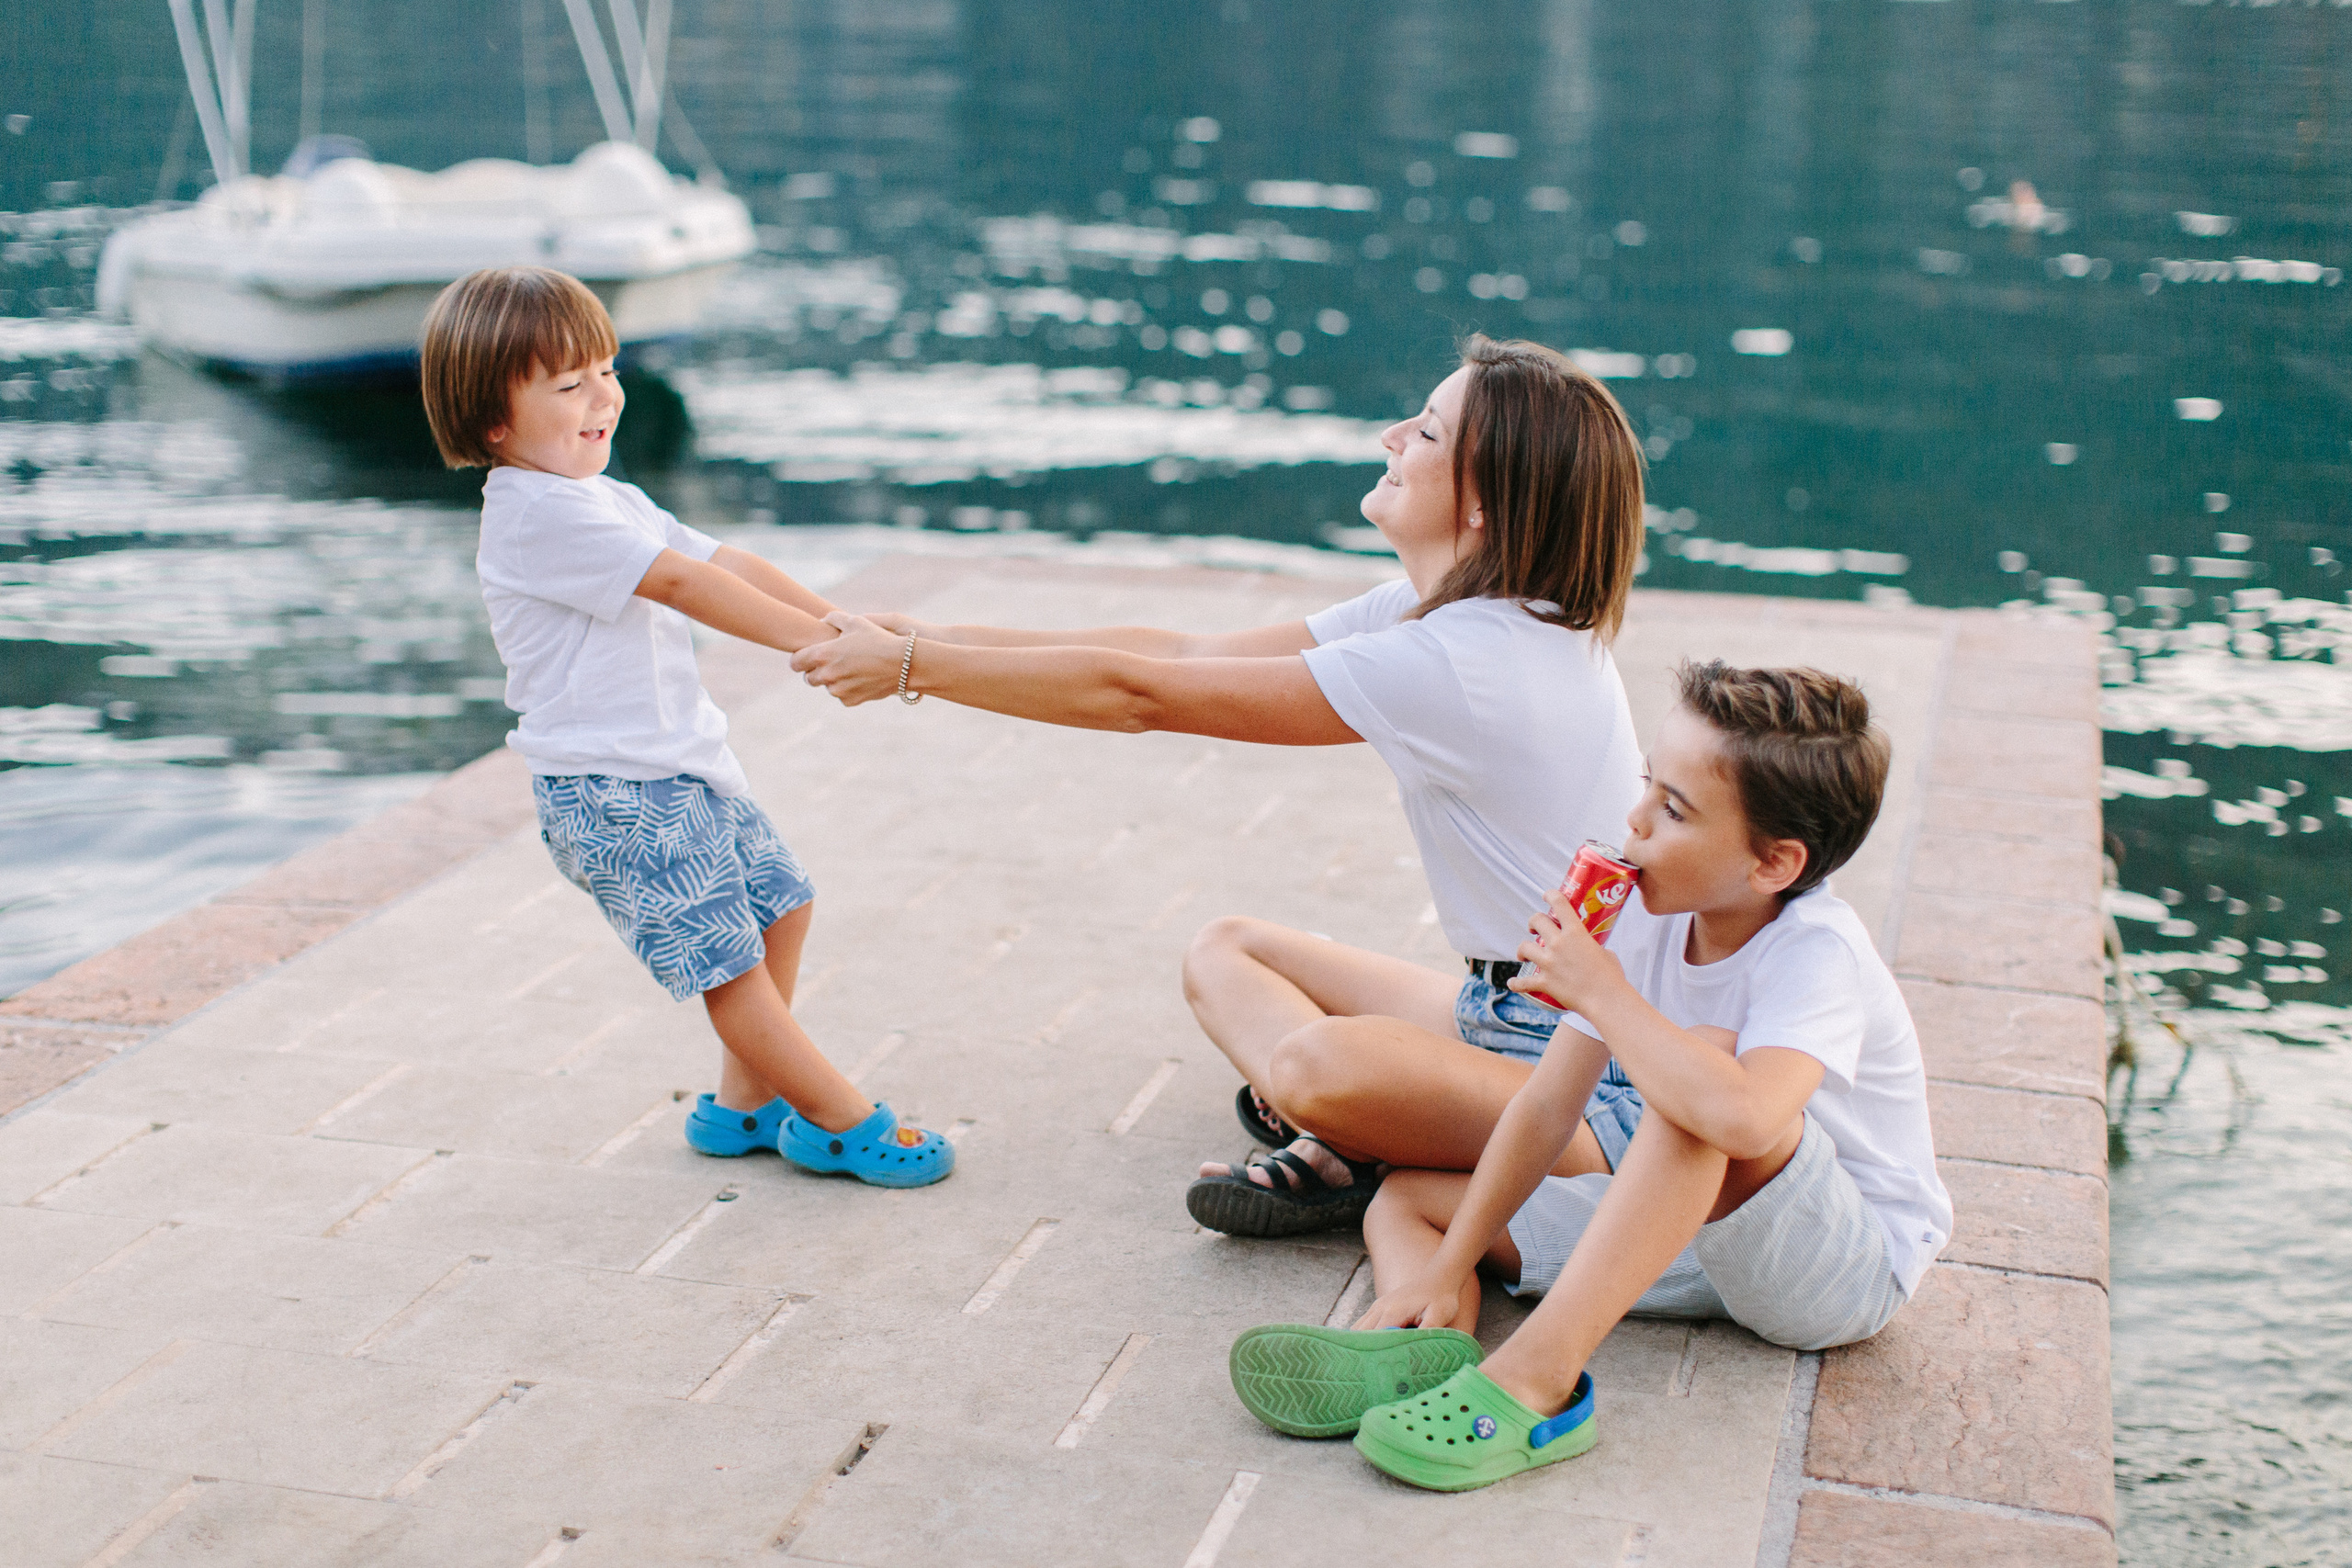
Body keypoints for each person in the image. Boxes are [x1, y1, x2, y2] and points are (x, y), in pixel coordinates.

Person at [789, 336, 1645, 1230]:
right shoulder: (1444, 614)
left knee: (1317, 1069)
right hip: (1508, 1009)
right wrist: (933, 638)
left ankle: (1383, 1135)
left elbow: (1140, 696)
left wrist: (914, 667)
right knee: (1228, 951)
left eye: (1425, 432)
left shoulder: (1464, 659)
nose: (1392, 435)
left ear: (1481, 502)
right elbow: (1178, 653)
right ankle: (1369, 1128)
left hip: (1584, 1059)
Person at [1223, 661, 1952, 1493]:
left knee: (1701, 1076)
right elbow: (1544, 1107)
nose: (1634, 820)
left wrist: (1601, 989)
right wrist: (1452, 1257)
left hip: (1835, 1265)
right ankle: (1424, 1333)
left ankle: (1535, 1383)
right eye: (1648, 785)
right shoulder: (1645, 914)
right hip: (1697, 1239)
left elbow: (1747, 1122)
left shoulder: (1816, 951)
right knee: (1414, 1200)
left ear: (1773, 863)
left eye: (1673, 809)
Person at [420, 265, 951, 1188]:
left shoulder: (602, 496)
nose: (605, 396)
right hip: (613, 792)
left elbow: (722, 558)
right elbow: (682, 585)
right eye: (569, 383)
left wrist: (842, 627)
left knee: (783, 906)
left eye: (608, 369)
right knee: (728, 973)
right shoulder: (532, 516)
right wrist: (816, 653)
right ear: (493, 423)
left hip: (679, 769)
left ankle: (740, 1109)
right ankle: (842, 1121)